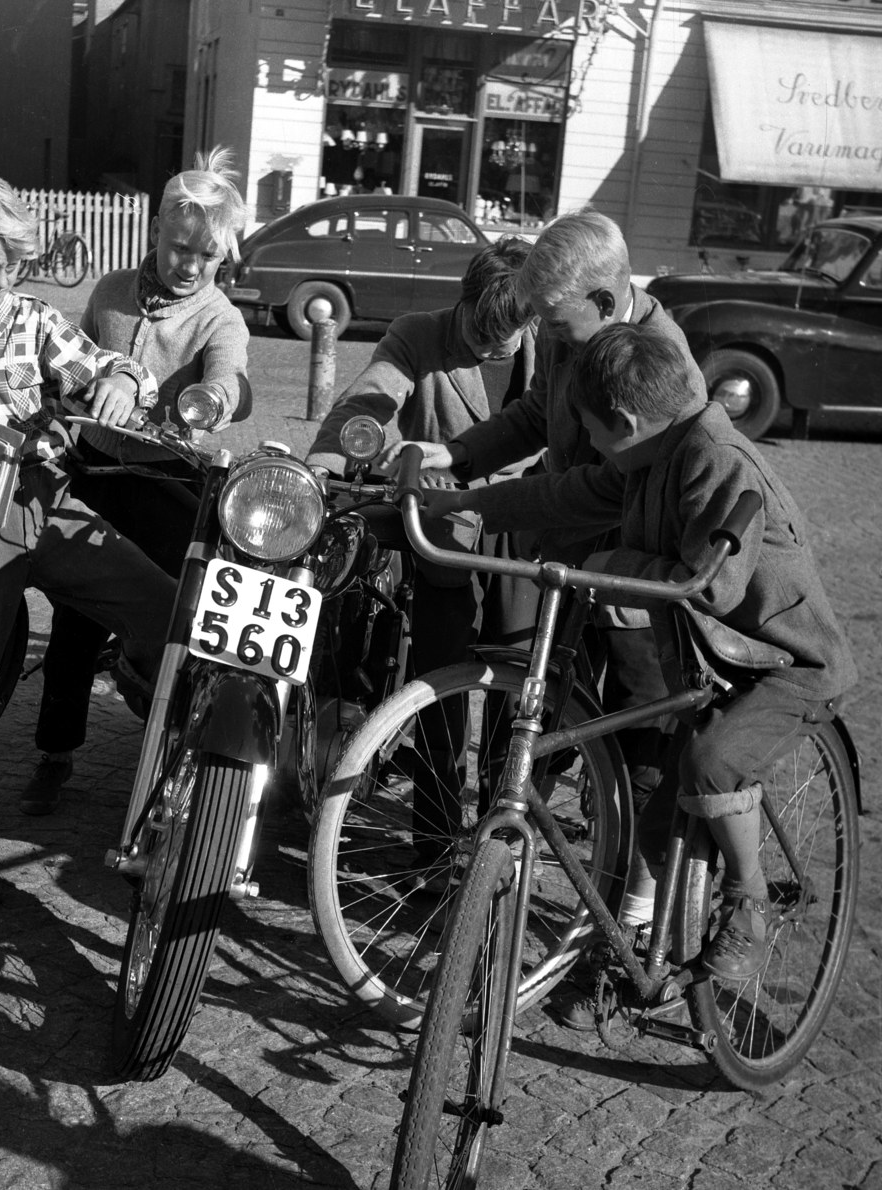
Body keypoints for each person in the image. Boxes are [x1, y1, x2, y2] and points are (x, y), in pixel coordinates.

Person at [422, 320, 857, 980]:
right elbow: (564, 493)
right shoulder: (653, 455)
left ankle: (751, 901)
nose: (590, 449)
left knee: (710, 765)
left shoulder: (715, 459)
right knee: (654, 822)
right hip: (712, 663)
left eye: (592, 435)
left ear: (623, 422)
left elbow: (709, 583)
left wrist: (612, 561)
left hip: (784, 664)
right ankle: (655, 957)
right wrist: (468, 505)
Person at [385, 207, 708, 922]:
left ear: (602, 301)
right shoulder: (575, 329)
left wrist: (483, 501)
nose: (546, 341)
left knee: (635, 742)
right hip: (569, 564)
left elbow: (607, 487)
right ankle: (493, 883)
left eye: (555, 328)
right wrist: (461, 453)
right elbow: (537, 415)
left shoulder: (661, 364)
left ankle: (641, 917)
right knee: (539, 725)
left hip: (634, 583)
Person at [0, 162, 177, 904]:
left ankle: (141, 684)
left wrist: (124, 382)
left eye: (6, 269)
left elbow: (105, 362)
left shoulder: (34, 319)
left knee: (165, 607)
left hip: (43, 502)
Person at [24, 146, 251, 816]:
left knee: (184, 612)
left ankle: (171, 752)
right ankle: (54, 752)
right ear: (156, 230)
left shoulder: (219, 317)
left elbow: (229, 378)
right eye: (181, 249)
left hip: (166, 477)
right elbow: (78, 361)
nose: (191, 267)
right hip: (96, 470)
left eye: (207, 259)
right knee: (73, 618)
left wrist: (209, 403)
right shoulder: (111, 292)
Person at [306, 238, 537, 881]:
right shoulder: (418, 335)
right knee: (434, 692)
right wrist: (323, 470)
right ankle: (434, 847)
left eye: (510, 333)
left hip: (524, 533)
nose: (494, 346)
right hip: (442, 536)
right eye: (482, 330)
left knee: (517, 695)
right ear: (462, 300)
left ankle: (500, 848)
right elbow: (367, 404)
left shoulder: (552, 350)